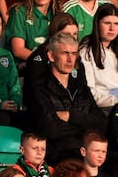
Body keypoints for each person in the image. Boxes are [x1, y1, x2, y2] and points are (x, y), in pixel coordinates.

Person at [27, 31, 106, 164]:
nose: (70, 59)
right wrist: (86, 128)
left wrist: (71, 116)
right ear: (51, 56)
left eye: (74, 54)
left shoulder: (80, 87)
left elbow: (102, 123)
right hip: (58, 155)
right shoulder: (40, 88)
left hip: (85, 153)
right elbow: (51, 129)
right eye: (65, 53)